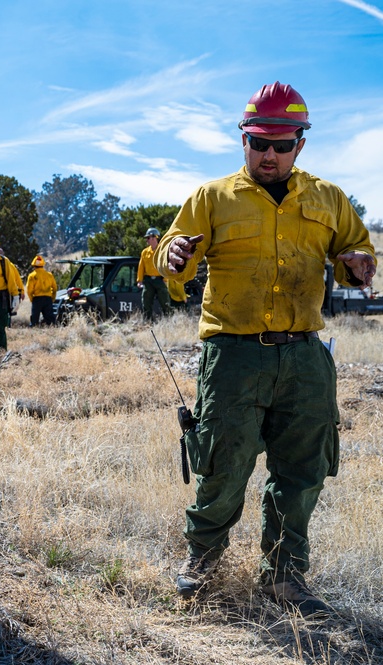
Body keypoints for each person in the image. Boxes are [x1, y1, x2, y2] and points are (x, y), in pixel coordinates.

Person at [158, 82, 376, 617]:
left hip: (304, 355)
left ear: (300, 143)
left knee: (302, 469)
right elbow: (171, 250)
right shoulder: (212, 198)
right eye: (258, 143)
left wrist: (360, 263)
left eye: (281, 144)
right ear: (243, 140)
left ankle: (284, 576)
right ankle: (202, 561)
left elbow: (360, 250)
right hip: (233, 354)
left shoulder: (328, 198)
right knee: (224, 463)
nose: (269, 155)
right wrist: (173, 255)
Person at [137, 228, 170, 321]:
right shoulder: (145, 252)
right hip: (148, 280)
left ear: (154, 238)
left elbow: (166, 265)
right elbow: (141, 267)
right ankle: (148, 321)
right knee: (146, 301)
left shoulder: (162, 251)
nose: (147, 240)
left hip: (160, 279)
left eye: (148, 238)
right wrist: (140, 280)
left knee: (165, 301)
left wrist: (165, 280)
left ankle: (168, 320)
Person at [26, 255, 57, 327]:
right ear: (43, 264)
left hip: (37, 299)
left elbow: (29, 290)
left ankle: (34, 330)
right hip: (48, 299)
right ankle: (52, 330)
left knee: (34, 319)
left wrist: (32, 299)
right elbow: (54, 288)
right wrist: (52, 298)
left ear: (33, 265)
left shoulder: (32, 276)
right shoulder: (49, 275)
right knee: (50, 320)